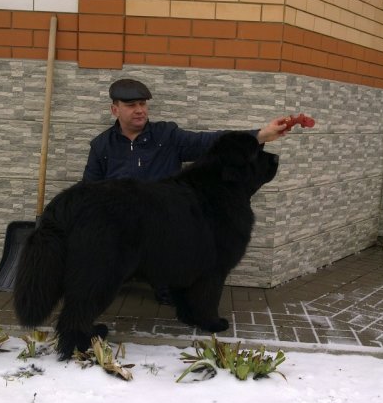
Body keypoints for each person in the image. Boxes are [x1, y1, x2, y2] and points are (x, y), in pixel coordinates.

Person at [82, 78, 293, 304]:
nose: (140, 110)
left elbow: (209, 142)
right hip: (123, 220)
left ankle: (165, 283)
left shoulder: (168, 135)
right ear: (115, 109)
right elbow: (89, 189)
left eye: (143, 104)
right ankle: (117, 274)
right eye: (132, 105)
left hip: (164, 220)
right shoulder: (101, 145)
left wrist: (260, 134)